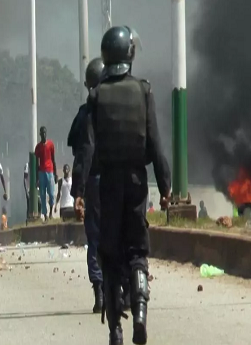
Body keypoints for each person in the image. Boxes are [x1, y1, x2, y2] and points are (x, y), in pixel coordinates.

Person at [71, 26, 171, 345]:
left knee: (110, 253)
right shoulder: (144, 91)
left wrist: (78, 192)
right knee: (137, 251)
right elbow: (155, 143)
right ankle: (140, 314)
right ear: (129, 54)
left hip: (108, 184)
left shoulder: (96, 96)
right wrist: (166, 187)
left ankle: (115, 329)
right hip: (137, 184)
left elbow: (85, 150)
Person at [67, 57, 105, 314]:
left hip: (94, 182)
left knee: (95, 237)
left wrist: (78, 192)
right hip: (121, 181)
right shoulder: (127, 107)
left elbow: (81, 154)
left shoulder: (85, 114)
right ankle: (128, 289)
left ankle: (100, 291)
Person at [34, 126, 57, 221]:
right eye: (42, 133)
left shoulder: (51, 144)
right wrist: (37, 178)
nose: (43, 134)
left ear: (46, 133)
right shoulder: (38, 147)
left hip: (50, 171)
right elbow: (36, 163)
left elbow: (53, 159)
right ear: (40, 134)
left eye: (45, 133)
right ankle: (45, 215)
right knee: (42, 195)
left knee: (51, 194)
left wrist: (55, 173)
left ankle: (51, 212)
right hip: (41, 172)